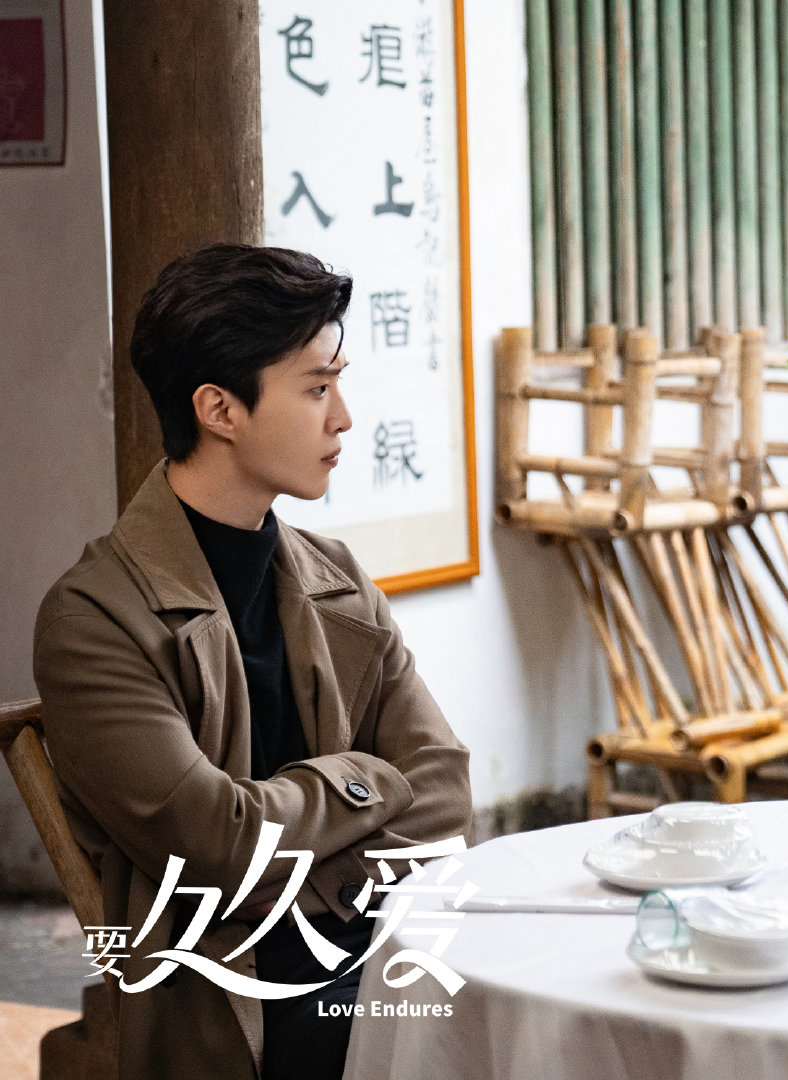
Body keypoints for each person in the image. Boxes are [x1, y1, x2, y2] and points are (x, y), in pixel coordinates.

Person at [32, 244, 473, 1080]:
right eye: (316, 387)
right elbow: (218, 842)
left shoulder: (335, 576)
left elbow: (445, 789)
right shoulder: (93, 618)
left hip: (369, 945)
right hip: (227, 995)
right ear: (218, 409)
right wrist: (364, 778)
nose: (343, 418)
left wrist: (305, 871)